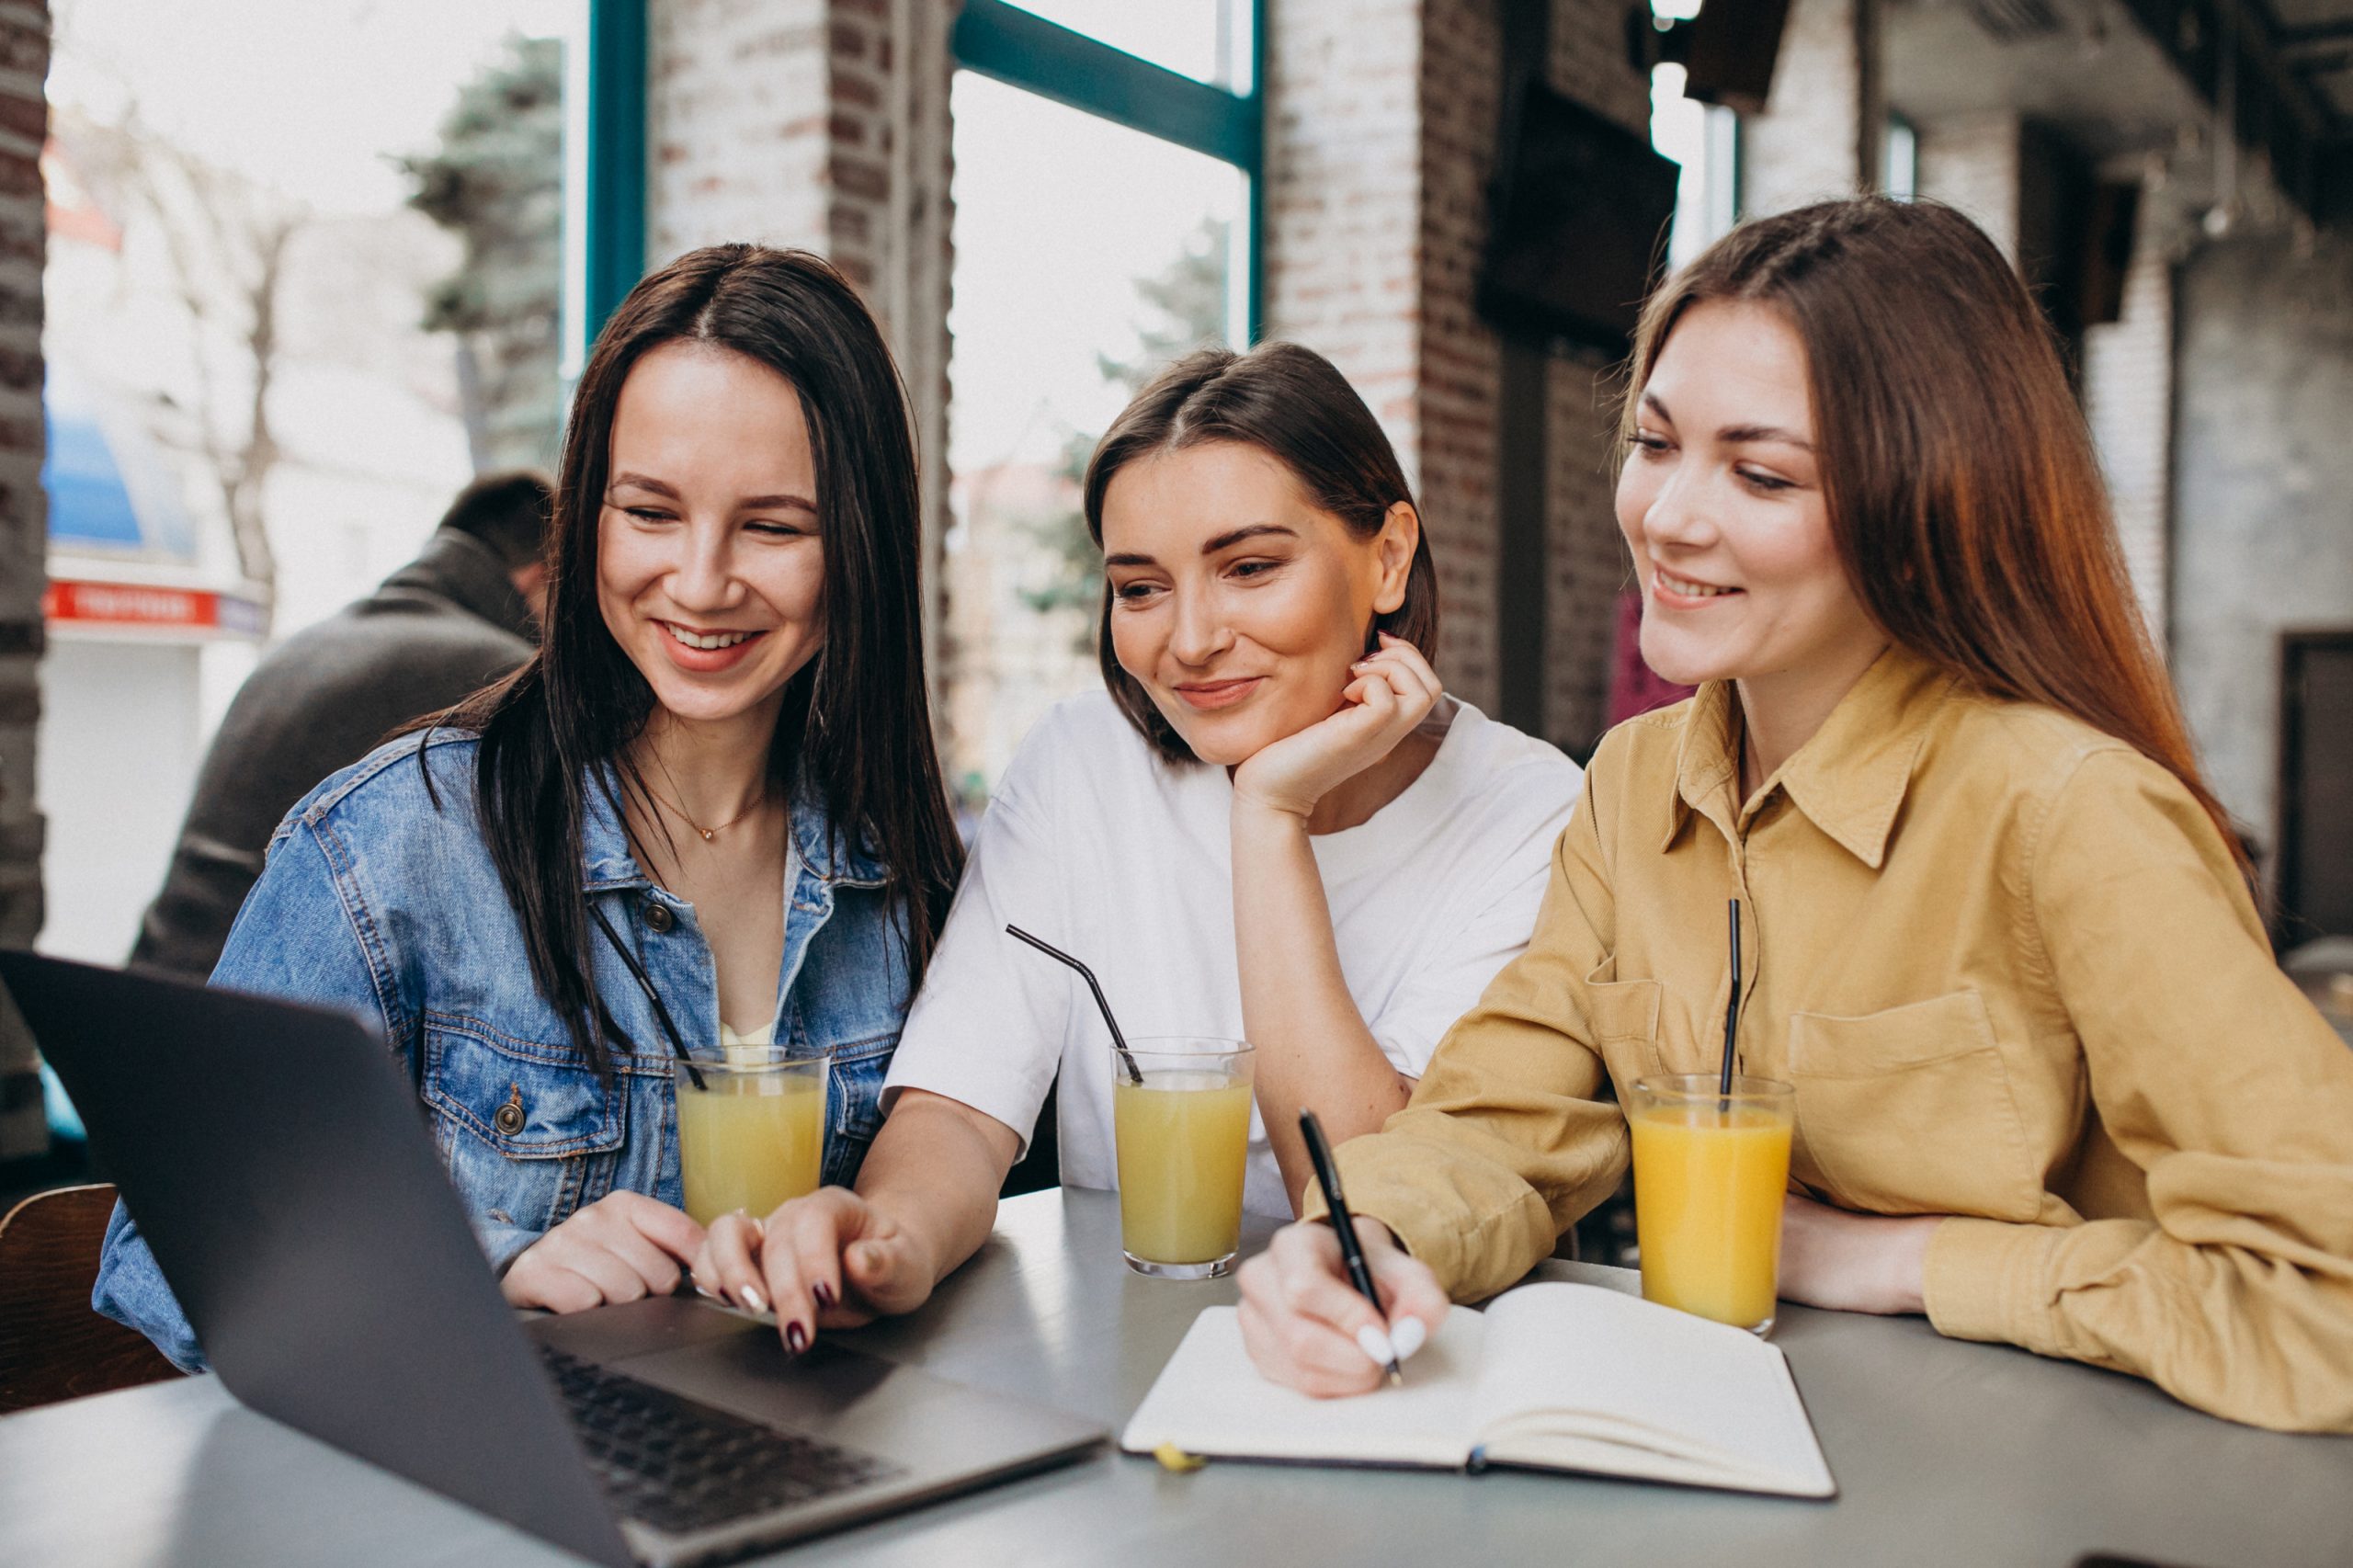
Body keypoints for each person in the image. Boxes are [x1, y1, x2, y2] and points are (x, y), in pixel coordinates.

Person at [1234, 197, 2353, 1433]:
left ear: (1924, 509)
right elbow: (1498, 1119)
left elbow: (2329, 1293)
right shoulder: (1634, 781)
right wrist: (1364, 1238)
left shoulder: (2071, 811)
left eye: (1760, 473)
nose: (1668, 516)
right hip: (1743, 1438)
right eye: (1655, 443)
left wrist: (1902, 1259)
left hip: (2050, 1473)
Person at [94, 244, 964, 1370]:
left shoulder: (904, 871)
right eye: (649, 511)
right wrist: (486, 1266)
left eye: (773, 527)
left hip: (808, 1461)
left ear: (862, 544)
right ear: (585, 517)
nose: (701, 581)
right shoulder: (396, 844)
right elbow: (164, 1250)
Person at [688, 340, 1583, 1348]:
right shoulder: (1080, 762)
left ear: (1386, 558)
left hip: (1396, 1369)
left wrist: (1269, 817)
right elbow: (961, 1109)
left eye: (1250, 568)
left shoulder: (1533, 813)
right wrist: (889, 1235)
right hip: (1125, 1367)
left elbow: (1368, 1208)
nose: (1190, 640)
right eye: (1141, 587)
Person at [130, 471, 552, 980]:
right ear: (538, 578)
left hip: (158, 985)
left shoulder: (305, 648)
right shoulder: (496, 677)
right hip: (276, 1011)